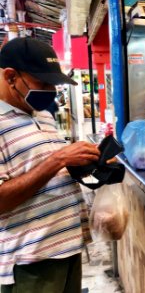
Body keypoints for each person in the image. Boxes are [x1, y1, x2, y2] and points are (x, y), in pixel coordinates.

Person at [0, 37, 101, 293]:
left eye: (53, 84)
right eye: (43, 83)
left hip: (68, 247)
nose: (50, 91)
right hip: (31, 261)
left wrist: (87, 163)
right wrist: (59, 159)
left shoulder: (43, 116)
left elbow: (47, 172)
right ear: (11, 76)